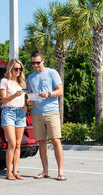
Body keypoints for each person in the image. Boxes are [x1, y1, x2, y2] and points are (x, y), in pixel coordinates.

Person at [26, 50, 66, 181]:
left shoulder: (52, 73)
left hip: (52, 112)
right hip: (36, 113)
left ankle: (60, 172)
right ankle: (45, 171)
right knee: (42, 142)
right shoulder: (30, 77)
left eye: (37, 62)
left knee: (55, 141)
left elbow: (60, 90)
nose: (35, 65)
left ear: (43, 60)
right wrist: (29, 100)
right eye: (33, 63)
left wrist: (48, 94)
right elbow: (29, 93)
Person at [0, 58, 28, 180]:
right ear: (11, 69)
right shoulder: (4, 81)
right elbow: (3, 99)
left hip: (20, 113)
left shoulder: (22, 84)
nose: (18, 71)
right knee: (11, 143)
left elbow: (24, 99)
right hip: (8, 112)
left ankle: (15, 171)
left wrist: (26, 106)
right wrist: (14, 95)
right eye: (16, 69)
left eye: (20, 69)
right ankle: (8, 172)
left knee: (18, 144)